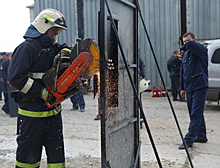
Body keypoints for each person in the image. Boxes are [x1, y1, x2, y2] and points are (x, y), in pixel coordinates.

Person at [8, 9, 69, 167]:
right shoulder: (27, 48)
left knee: (57, 160)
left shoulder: (51, 47)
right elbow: (16, 77)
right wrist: (42, 93)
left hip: (54, 116)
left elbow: (62, 49)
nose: (55, 36)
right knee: (28, 160)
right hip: (32, 117)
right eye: (53, 32)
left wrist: (69, 52)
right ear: (43, 26)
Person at [178, 32, 208, 149]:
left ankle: (188, 140)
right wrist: (182, 88)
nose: (186, 43)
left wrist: (183, 47)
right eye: (184, 41)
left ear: (194, 39)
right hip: (189, 88)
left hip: (199, 86)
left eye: (188, 41)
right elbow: (183, 72)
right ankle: (201, 136)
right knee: (194, 113)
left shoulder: (201, 51)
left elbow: (191, 44)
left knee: (196, 114)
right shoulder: (185, 55)